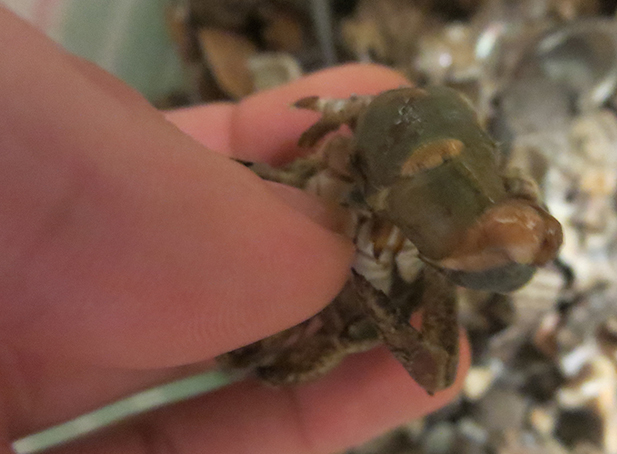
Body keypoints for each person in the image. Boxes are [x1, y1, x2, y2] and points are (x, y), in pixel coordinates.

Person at [0, 7, 467, 454]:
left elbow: (435, 367)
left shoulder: (422, 270)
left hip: (374, 285)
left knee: (270, 354)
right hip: (331, 252)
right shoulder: (323, 185)